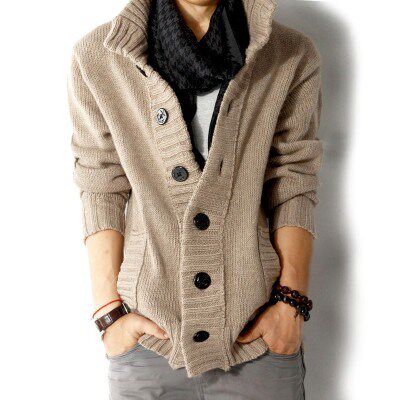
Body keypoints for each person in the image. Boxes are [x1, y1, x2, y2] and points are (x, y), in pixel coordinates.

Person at [67, 0, 323, 398]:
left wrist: (291, 305)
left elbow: (293, 180)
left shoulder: (288, 53)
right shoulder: (97, 56)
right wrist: (109, 316)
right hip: (147, 340)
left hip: (258, 336)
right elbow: (101, 184)